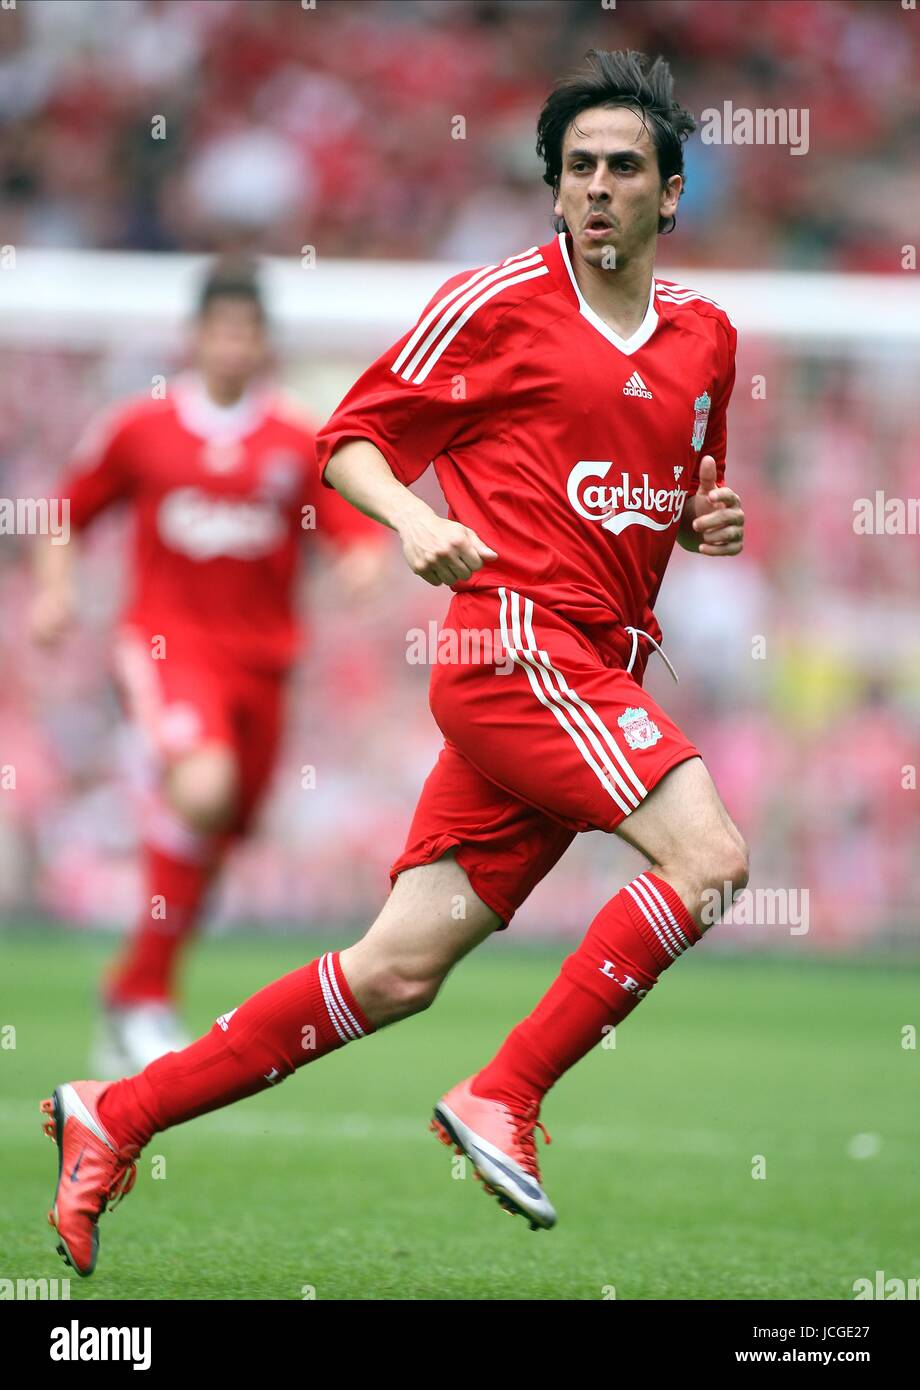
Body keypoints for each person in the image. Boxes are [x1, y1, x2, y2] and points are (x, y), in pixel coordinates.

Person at [39, 49, 749, 1276]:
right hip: (513, 644)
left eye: (620, 167)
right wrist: (413, 520)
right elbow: (350, 437)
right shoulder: (498, 305)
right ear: (552, 189)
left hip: (590, 661)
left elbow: (674, 482)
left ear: (668, 194)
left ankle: (119, 1111)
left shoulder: (705, 339)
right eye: (574, 167)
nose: (594, 187)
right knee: (711, 857)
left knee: (396, 967)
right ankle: (502, 1095)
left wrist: (702, 519)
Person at [32, 260, 384, 1074]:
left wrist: (364, 561)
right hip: (165, 645)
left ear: (264, 344)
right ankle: (146, 997)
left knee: (224, 827)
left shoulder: (295, 439)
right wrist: (56, 593)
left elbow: (348, 526)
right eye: (220, 331)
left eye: (247, 333)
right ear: (196, 338)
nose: (232, 346)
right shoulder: (140, 429)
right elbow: (65, 511)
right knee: (204, 786)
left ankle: (131, 988)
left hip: (263, 664)